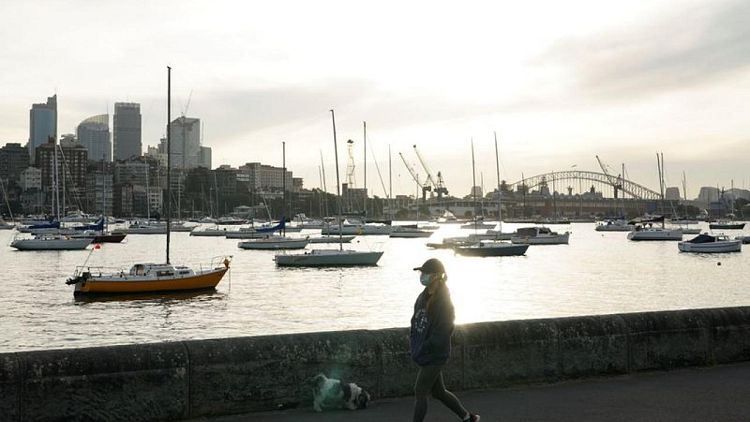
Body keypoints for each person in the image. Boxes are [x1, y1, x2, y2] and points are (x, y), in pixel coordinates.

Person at [410, 258, 480, 422]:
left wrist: (426, 347)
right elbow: (415, 321)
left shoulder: (444, 302)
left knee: (420, 390)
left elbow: (444, 331)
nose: (422, 276)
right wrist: (415, 342)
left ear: (435, 276)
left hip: (435, 354)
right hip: (424, 352)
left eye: (425, 273)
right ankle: (468, 418)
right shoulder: (423, 296)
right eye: (421, 272)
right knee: (438, 392)